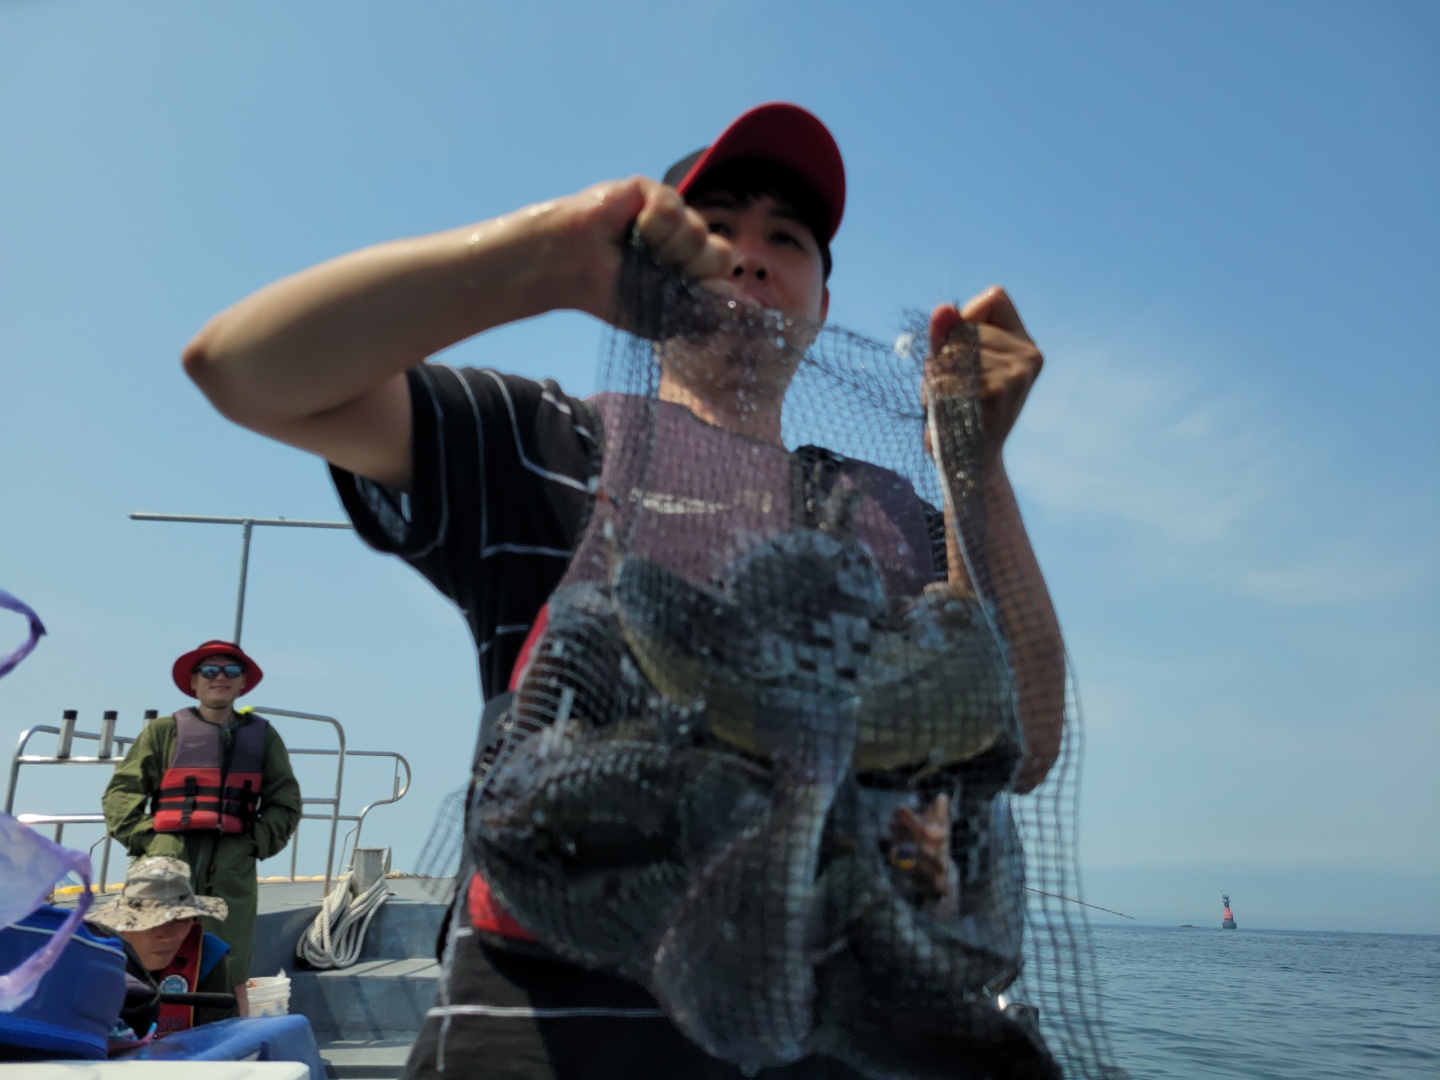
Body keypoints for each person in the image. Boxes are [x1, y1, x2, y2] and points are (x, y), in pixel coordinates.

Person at [181, 103, 1064, 1078]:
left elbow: (1018, 739)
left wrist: (974, 464)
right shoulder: (551, 443)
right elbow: (244, 369)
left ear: (820, 298)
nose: (748, 254)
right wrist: (549, 259)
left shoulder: (886, 510)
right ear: (646, 274)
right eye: (711, 228)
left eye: (788, 238)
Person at [102, 640, 303, 1011]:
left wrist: (254, 842)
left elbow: (285, 800)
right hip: (164, 864)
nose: (220, 678)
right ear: (194, 682)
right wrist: (151, 840)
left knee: (231, 964)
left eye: (231, 671)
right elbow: (121, 793)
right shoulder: (162, 733)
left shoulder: (264, 737)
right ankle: (131, 1033)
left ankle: (226, 1044)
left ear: (244, 684)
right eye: (210, 670)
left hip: (232, 867)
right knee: (147, 952)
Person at [86, 856, 238, 1035]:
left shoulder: (208, 956)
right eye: (152, 923)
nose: (168, 937)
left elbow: (224, 1039)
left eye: (180, 920)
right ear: (123, 926)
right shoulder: (96, 958)